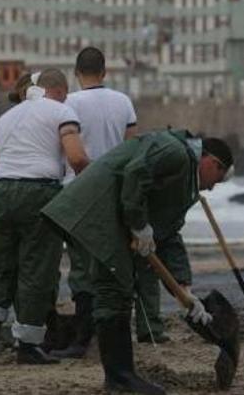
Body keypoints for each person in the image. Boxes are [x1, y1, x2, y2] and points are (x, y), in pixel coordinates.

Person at [42, 129, 233, 395]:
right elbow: (134, 174)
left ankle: (120, 376)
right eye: (217, 180)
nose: (212, 187)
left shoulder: (185, 180)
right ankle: (120, 377)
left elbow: (168, 234)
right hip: (96, 211)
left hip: (112, 219)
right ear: (213, 163)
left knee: (118, 290)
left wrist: (185, 290)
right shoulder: (174, 151)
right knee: (114, 290)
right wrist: (139, 224)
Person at [0, 70, 90, 366]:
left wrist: (2, 203)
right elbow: (76, 158)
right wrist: (93, 187)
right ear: (60, 90)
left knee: (0, 268)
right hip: (40, 191)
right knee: (35, 271)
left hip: (3, 193)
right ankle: (27, 345)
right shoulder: (62, 111)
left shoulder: (7, 118)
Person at [50, 46, 149, 359]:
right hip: (116, 190)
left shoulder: (69, 104)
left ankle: (83, 337)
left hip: (78, 190)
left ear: (76, 73)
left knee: (81, 267)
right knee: (113, 262)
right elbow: (133, 148)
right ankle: (113, 330)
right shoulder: (123, 102)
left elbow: (66, 149)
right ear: (105, 72)